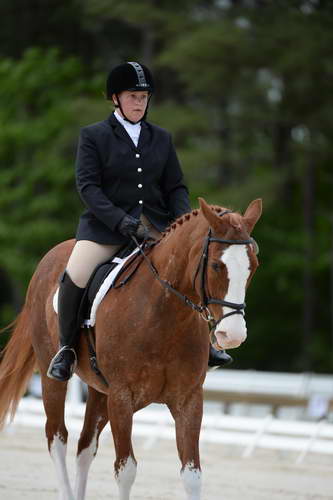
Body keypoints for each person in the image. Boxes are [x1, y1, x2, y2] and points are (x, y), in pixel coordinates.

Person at [47, 61, 232, 382]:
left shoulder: (161, 138)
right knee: (75, 275)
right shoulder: (93, 136)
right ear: (115, 98)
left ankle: (206, 341)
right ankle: (66, 349)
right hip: (105, 229)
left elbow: (175, 186)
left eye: (144, 97)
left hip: (158, 230)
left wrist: (181, 225)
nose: (139, 103)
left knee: (195, 270)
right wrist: (121, 222)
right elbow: (88, 187)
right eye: (132, 96)